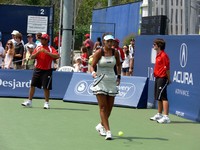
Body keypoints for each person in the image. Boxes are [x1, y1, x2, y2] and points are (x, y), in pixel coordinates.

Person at [90, 34, 121, 140]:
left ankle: (100, 125)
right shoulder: (99, 52)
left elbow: (119, 65)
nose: (110, 43)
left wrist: (119, 77)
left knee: (109, 109)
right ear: (104, 42)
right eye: (108, 41)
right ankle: (108, 131)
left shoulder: (115, 52)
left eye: (111, 41)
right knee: (103, 107)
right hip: (100, 81)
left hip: (111, 81)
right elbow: (92, 65)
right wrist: (93, 73)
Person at [21, 33, 60, 109]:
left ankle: (46, 103)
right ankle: (29, 101)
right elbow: (32, 57)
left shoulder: (51, 48)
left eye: (43, 39)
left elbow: (57, 56)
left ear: (47, 40)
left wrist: (47, 52)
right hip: (37, 69)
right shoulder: (38, 47)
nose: (41, 40)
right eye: (41, 39)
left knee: (46, 87)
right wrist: (38, 52)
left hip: (47, 70)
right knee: (32, 85)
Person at [150, 38, 171, 123]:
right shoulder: (158, 55)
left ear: (159, 46)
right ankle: (159, 114)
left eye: (154, 44)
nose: (153, 46)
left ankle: (166, 117)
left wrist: (168, 79)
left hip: (163, 78)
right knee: (159, 97)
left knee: (163, 97)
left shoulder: (163, 55)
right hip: (158, 78)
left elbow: (167, 69)